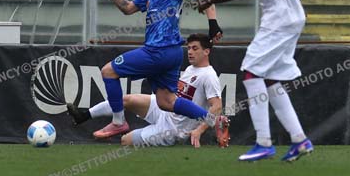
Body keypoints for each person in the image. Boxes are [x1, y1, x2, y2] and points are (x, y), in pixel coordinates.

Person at [194, 0, 313, 162]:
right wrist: (292, 4)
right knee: (269, 78)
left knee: (251, 71)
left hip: (279, 19)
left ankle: (263, 143)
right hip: (293, 17)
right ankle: (299, 140)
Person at [95, 0, 226, 140]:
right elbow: (128, 8)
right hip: (171, 52)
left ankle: (119, 122)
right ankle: (214, 120)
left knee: (108, 71)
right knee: (166, 102)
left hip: (158, 50)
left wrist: (213, 24)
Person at [67, 34, 229, 148]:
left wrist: (199, 130)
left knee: (125, 141)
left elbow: (217, 106)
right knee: (127, 100)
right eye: (189, 48)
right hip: (165, 109)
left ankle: (131, 133)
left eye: (195, 48)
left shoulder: (209, 75)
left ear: (206, 51)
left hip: (173, 129)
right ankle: (84, 115)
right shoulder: (190, 69)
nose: (190, 52)